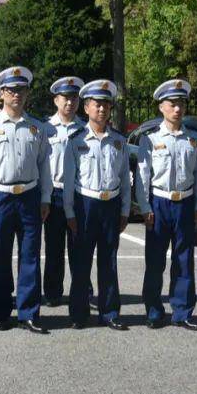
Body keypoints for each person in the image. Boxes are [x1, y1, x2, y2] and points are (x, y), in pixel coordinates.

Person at [0, 66, 52, 333]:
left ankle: (29, 312)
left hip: (29, 196)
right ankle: (1, 312)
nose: (16, 95)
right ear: (2, 93)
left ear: (27, 93)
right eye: (11, 90)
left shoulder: (36, 127)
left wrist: (45, 198)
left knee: (30, 255)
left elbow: (45, 165)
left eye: (21, 89)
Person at [135, 79, 197, 330]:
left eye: (181, 104)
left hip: (185, 203)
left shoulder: (195, 139)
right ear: (161, 107)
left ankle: (183, 311)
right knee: (155, 260)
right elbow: (143, 177)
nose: (177, 109)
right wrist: (144, 208)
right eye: (172, 104)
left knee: (184, 259)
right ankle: (154, 310)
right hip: (159, 203)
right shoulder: (150, 139)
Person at [62, 80, 130, 330]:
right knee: (81, 262)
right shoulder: (75, 140)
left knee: (108, 262)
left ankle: (110, 312)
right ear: (87, 108)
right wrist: (69, 211)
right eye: (96, 104)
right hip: (84, 204)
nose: (101, 109)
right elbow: (69, 180)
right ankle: (79, 314)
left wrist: (124, 210)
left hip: (110, 204)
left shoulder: (119, 142)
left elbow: (124, 180)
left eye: (106, 105)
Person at [43, 76, 86, 308]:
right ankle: (52, 292)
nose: (70, 102)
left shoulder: (84, 128)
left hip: (78, 195)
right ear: (56, 100)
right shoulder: (46, 128)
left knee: (79, 246)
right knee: (53, 246)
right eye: (65, 98)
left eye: (74, 98)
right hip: (53, 194)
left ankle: (82, 289)